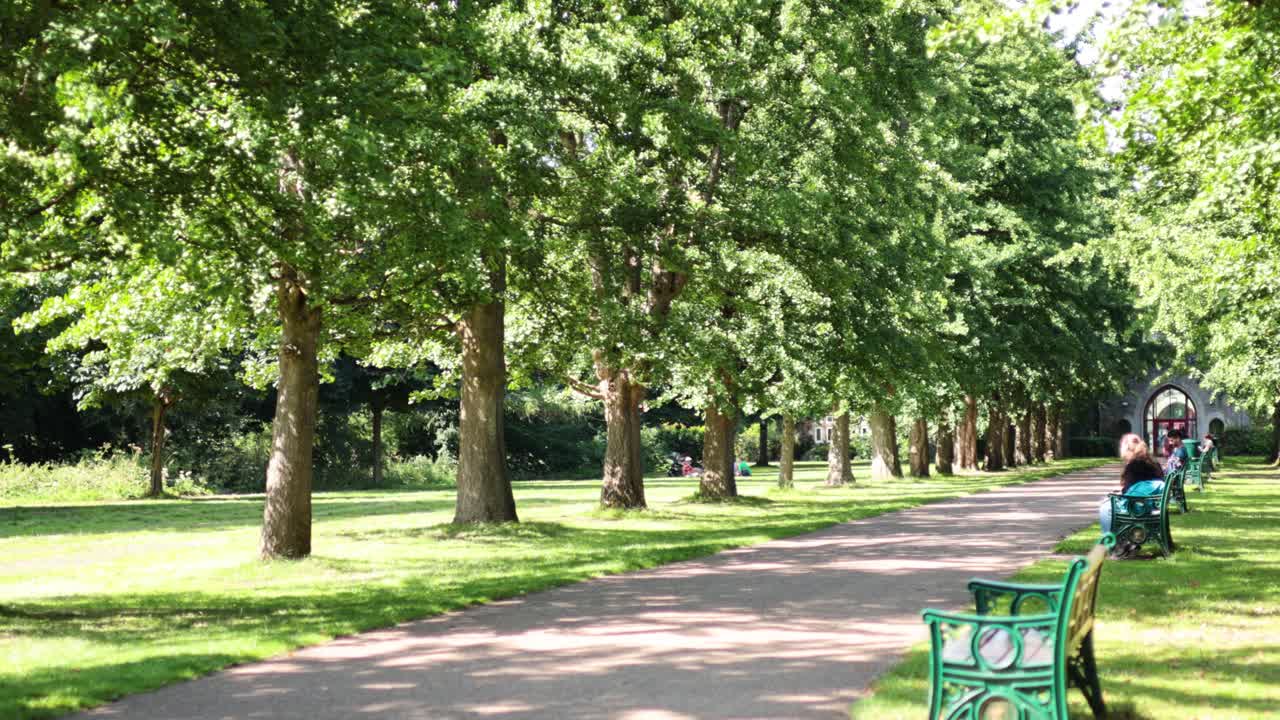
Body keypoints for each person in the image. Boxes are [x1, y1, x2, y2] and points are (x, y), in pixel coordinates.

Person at [1100, 434, 1165, 545]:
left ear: (1127, 449)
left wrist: (1119, 493)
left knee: (1105, 507)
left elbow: (1129, 491)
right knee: (1109, 502)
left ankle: (1113, 544)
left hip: (1138, 507)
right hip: (1151, 504)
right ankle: (1124, 541)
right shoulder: (1153, 463)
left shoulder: (1134, 465)